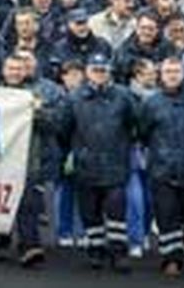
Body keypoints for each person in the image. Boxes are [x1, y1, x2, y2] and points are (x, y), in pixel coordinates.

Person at [59, 50, 139, 273]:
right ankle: (96, 251)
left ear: (109, 72)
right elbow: (64, 129)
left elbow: (136, 124)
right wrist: (76, 152)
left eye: (103, 70)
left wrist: (124, 145)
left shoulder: (123, 96)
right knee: (90, 213)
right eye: (95, 70)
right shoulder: (74, 98)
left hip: (115, 163)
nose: (99, 74)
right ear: (87, 72)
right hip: (86, 165)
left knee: (116, 212)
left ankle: (119, 253)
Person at [140, 56, 184, 277]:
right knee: (166, 215)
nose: (172, 75)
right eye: (168, 71)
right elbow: (144, 133)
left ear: (183, 74)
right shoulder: (151, 102)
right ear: (161, 74)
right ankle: (171, 259)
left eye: (176, 71)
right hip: (162, 170)